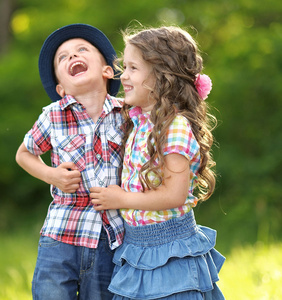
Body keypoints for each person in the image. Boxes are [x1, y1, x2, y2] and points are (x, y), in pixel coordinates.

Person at [90, 26, 225, 299]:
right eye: (123, 66)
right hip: (138, 247)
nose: (123, 75)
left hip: (169, 251)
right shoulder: (140, 121)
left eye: (133, 68)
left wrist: (121, 199)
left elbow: (174, 194)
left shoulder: (174, 127)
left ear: (161, 76)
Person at [15, 24, 125, 299]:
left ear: (107, 70)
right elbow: (24, 154)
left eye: (82, 50)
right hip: (62, 232)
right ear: (61, 87)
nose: (72, 56)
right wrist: (52, 175)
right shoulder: (53, 116)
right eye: (62, 58)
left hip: (111, 236)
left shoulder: (127, 115)